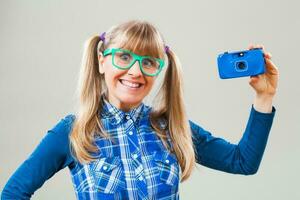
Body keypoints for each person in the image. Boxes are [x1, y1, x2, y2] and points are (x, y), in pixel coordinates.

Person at [1, 20, 279, 200]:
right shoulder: (74, 131)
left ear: (159, 69)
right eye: (123, 57)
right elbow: (13, 193)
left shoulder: (171, 127)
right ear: (101, 61)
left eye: (148, 62)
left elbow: (243, 162)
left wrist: (264, 96)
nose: (135, 72)